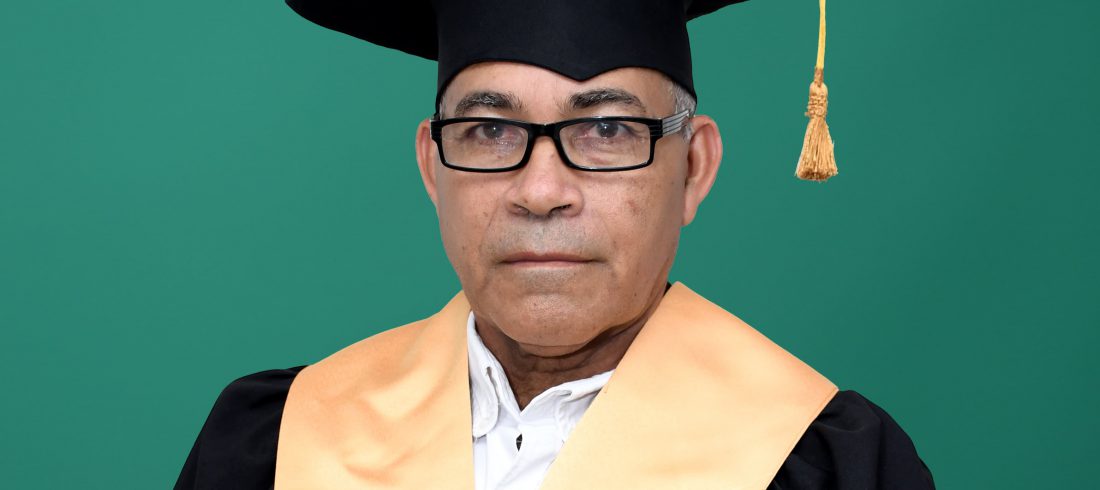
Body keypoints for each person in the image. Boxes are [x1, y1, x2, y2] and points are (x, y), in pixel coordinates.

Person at [176, 1, 934, 488]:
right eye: (489, 129)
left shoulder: (828, 466)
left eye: (607, 129)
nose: (541, 190)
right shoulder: (276, 447)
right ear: (433, 168)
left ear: (693, 169)